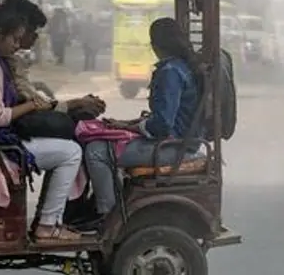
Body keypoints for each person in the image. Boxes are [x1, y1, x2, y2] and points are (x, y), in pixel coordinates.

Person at [0, 0, 84, 243]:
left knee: (62, 147)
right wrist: (30, 106)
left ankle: (48, 218)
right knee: (71, 152)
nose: (18, 46)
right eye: (15, 39)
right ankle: (48, 225)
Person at [82, 17, 201, 217]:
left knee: (96, 151)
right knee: (104, 143)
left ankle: (107, 215)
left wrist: (131, 128)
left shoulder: (170, 72)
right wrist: (126, 125)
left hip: (174, 146)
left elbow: (162, 125)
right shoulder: (180, 66)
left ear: (155, 44)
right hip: (176, 141)